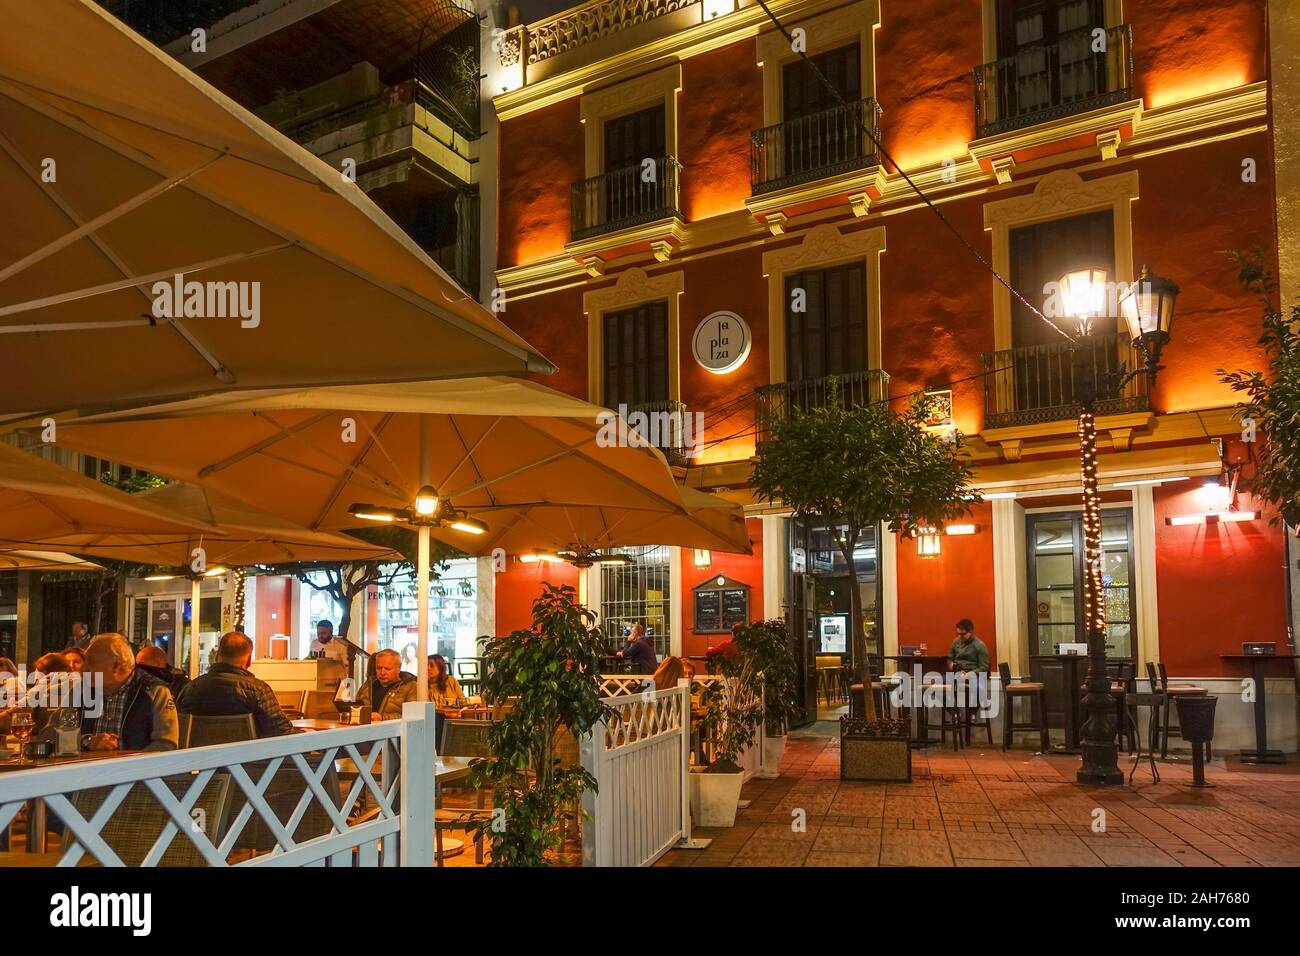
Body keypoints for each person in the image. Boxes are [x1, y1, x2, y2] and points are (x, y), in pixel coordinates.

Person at [176, 631, 294, 739]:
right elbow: (281, 732)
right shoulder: (259, 690)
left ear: (217, 657)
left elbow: (177, 729)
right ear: (248, 660)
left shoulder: (189, 689)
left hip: (199, 761)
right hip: (249, 760)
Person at [81, 633, 178, 752]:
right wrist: (86, 741)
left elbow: (166, 745)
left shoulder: (154, 691)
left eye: (91, 662)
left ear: (116, 665)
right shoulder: (81, 690)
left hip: (136, 769)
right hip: (86, 769)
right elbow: (53, 734)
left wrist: (127, 762)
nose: (84, 668)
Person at [356, 649, 417, 720]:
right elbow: (356, 707)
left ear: (399, 669)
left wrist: (383, 718)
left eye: (387, 669)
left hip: (394, 730)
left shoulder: (411, 687)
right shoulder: (368, 685)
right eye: (379, 668)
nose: (382, 672)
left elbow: (412, 718)